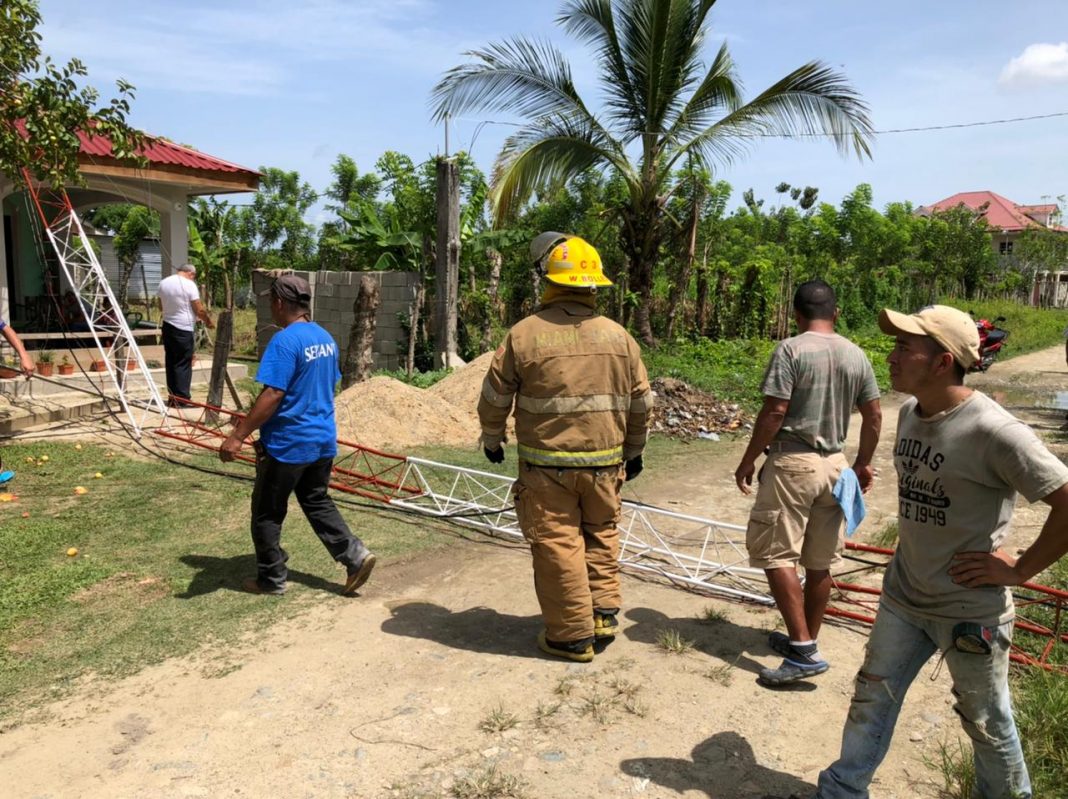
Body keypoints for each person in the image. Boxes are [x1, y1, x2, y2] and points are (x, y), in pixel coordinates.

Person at [815, 305, 1068, 799]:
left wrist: (1021, 567)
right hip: (904, 596)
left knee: (986, 721)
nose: (890, 357)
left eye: (904, 348)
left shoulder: (995, 431)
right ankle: (842, 789)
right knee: (872, 696)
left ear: (942, 362)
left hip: (968, 608)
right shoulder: (910, 412)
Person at [478, 232, 652, 662]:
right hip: (606, 465)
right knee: (601, 533)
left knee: (558, 543)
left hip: (546, 468)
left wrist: (492, 437)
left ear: (548, 280)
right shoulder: (619, 337)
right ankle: (603, 614)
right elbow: (641, 402)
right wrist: (634, 449)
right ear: (593, 284)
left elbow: (495, 396)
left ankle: (571, 637)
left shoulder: (523, 335)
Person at [734, 280, 881, 686]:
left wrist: (748, 460)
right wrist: (862, 463)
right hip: (836, 467)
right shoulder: (857, 354)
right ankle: (807, 641)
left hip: (793, 463)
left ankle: (802, 650)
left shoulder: (791, 350)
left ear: (796, 314)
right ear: (835, 313)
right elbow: (873, 416)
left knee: (776, 554)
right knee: (820, 563)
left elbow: (774, 412)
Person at [219, 274, 375, 596]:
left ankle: (272, 578)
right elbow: (325, 386)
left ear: (279, 303)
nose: (271, 308)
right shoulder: (325, 339)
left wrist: (238, 435)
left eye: (271, 302)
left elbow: (273, 394)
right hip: (322, 441)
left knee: (266, 511)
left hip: (289, 444)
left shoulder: (285, 341)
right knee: (316, 500)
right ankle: (355, 556)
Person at [158, 263, 213, 404]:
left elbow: (160, 306)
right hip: (183, 328)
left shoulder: (164, 283)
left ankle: (173, 397)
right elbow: (198, 308)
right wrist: (208, 321)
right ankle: (182, 398)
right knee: (183, 363)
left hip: (167, 326)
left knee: (171, 362)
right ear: (191, 273)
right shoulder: (189, 284)